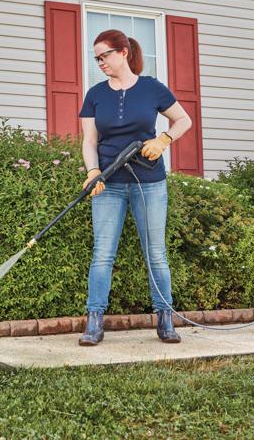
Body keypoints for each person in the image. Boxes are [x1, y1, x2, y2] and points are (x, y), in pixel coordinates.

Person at [78, 29, 192, 345]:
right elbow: (90, 141)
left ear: (123, 52)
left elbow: (183, 120)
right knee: (102, 254)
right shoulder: (95, 94)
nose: (100, 62)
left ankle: (165, 319)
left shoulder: (152, 88)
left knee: (156, 254)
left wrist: (164, 139)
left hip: (150, 183)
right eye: (96, 59)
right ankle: (94, 321)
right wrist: (93, 171)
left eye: (104, 56)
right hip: (109, 184)